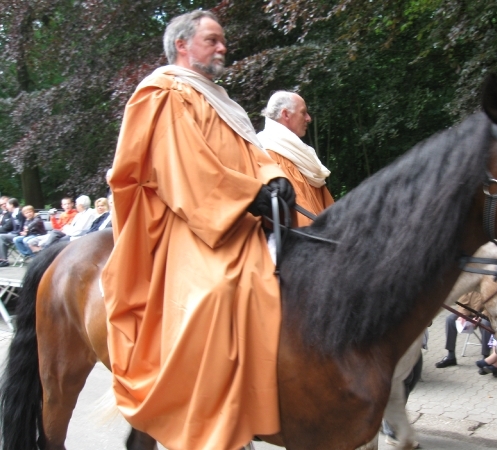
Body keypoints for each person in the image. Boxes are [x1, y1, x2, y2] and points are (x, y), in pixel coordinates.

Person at [102, 10, 294, 450]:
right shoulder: (163, 91)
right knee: (217, 292)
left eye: (222, 40)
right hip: (189, 217)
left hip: (238, 210)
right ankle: (210, 426)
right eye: (213, 40)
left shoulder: (221, 100)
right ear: (183, 45)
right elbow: (181, 166)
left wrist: (273, 179)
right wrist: (249, 196)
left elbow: (254, 155)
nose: (223, 47)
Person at [257, 91, 334, 226]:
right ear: (286, 114)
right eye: (303, 113)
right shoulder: (267, 153)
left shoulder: (299, 154)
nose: (308, 118)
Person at [435, 291, 493, 369]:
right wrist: (463, 315)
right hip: (469, 312)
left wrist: (480, 317)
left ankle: (486, 358)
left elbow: (491, 303)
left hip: (483, 314)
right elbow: (462, 299)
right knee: (450, 320)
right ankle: (451, 356)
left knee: (485, 324)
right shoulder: (468, 281)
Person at [0, 198, 25, 267]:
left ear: (12, 205)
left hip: (19, 234)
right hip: (14, 233)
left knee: (1, 236)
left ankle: (4, 260)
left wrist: (16, 232)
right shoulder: (13, 213)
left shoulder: (19, 213)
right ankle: (2, 259)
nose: (6, 207)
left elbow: (22, 225)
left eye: (7, 205)